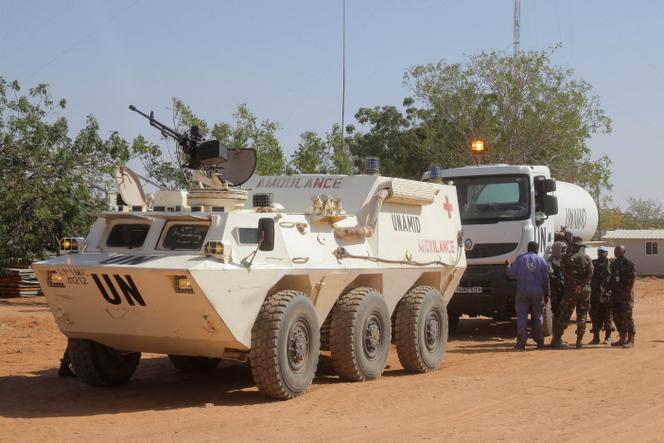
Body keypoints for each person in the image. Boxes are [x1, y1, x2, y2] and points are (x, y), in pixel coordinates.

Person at [550, 236, 593, 349]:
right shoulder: (587, 258)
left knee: (564, 315)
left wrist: (575, 283)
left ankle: (557, 340)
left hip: (570, 291)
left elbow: (563, 273)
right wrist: (582, 284)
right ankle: (579, 342)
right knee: (582, 315)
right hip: (584, 291)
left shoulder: (566, 258)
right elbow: (590, 274)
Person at [506, 241, 550, 350]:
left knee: (522, 317)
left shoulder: (520, 259)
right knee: (538, 316)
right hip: (537, 292)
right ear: (537, 249)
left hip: (523, 291)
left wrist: (507, 266)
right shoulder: (542, 261)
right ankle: (540, 342)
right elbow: (546, 280)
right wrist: (547, 294)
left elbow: (511, 274)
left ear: (527, 248)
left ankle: (521, 343)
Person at [607, 245, 636, 348]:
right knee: (616, 316)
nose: (616, 252)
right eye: (615, 250)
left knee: (627, 316)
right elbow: (611, 278)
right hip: (615, 294)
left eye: (618, 250)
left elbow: (632, 279)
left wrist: (629, 293)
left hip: (625, 294)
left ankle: (631, 340)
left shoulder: (628, 263)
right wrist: (608, 290)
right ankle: (622, 338)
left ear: (624, 251)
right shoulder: (614, 264)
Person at [589, 246, 612, 344]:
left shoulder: (611, 264)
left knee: (608, 316)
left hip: (607, 294)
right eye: (599, 252)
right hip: (595, 294)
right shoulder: (593, 263)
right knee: (595, 317)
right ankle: (596, 338)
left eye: (602, 252)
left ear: (607, 253)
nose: (600, 253)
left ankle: (608, 337)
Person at [548, 236, 567, 329]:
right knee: (557, 312)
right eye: (562, 249)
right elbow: (551, 275)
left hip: (564, 291)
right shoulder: (550, 261)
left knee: (563, 312)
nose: (564, 251)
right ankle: (556, 336)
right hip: (555, 291)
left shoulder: (565, 261)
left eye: (564, 249)